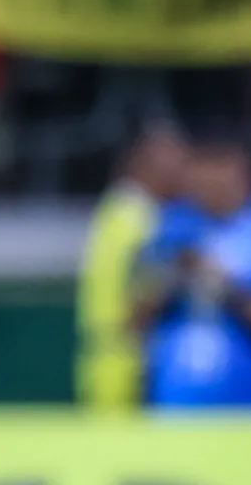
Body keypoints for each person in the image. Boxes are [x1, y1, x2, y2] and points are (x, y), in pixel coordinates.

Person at [132, 139, 251, 410]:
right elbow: (130, 321)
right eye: (202, 183)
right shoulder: (168, 230)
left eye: (221, 182)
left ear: (244, 178)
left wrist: (229, 290)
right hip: (176, 400)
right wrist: (174, 279)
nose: (210, 191)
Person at [79, 123, 189, 412]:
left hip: (104, 360)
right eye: (174, 167)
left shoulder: (113, 210)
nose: (182, 177)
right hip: (129, 366)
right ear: (144, 166)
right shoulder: (141, 220)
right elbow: (144, 297)